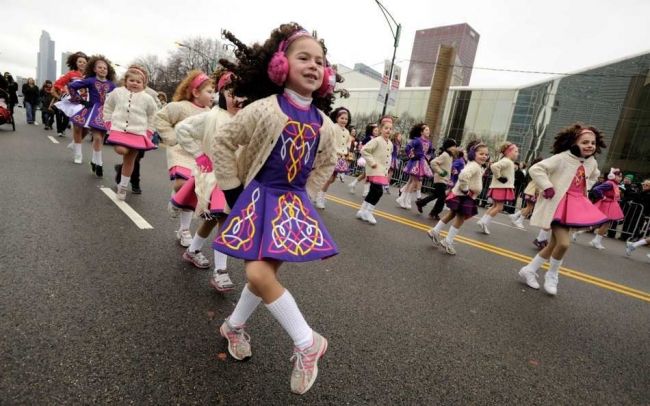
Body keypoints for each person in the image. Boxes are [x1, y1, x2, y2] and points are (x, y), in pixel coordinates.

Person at [212, 23, 339, 395]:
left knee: (260, 275)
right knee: (257, 273)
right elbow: (223, 141)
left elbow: (327, 163)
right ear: (281, 64)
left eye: (320, 61)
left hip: (291, 208)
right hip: (256, 199)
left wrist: (305, 198)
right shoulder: (264, 109)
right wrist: (233, 191)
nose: (314, 65)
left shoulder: (326, 125)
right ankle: (306, 342)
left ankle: (233, 328)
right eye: (304, 57)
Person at [173, 69, 245, 291]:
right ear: (222, 93)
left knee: (214, 219)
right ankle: (220, 271)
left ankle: (192, 250)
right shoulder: (211, 116)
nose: (238, 99)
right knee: (224, 220)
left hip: (236, 178)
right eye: (232, 94)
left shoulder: (245, 118)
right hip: (216, 177)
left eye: (242, 95)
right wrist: (199, 154)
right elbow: (183, 129)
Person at [518, 123, 608, 296]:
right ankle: (552, 275)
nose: (590, 145)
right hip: (558, 205)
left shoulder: (592, 162)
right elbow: (536, 168)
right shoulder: (562, 158)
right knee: (564, 243)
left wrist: (585, 189)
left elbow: (594, 175)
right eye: (585, 142)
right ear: (574, 143)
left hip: (574, 206)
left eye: (593, 143)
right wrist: (547, 186)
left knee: (553, 244)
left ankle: (529, 269)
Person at [154, 70, 213, 247]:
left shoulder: (212, 112)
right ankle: (175, 200)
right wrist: (171, 137)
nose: (213, 95)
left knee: (192, 191)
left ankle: (184, 229)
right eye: (209, 91)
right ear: (196, 92)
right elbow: (160, 118)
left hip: (198, 157)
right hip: (180, 152)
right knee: (181, 184)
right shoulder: (179, 107)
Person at [102, 66, 158, 201]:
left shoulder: (147, 98)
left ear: (143, 84)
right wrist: (108, 122)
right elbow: (108, 107)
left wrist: (149, 131)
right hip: (119, 129)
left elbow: (153, 115)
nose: (134, 83)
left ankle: (123, 187)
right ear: (125, 81)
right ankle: (122, 180)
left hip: (138, 132)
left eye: (138, 82)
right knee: (121, 150)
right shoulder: (117, 92)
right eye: (131, 80)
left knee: (130, 160)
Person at [427, 140, 489, 255]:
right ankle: (448, 241)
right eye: (481, 154)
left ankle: (435, 231)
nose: (484, 156)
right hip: (464, 196)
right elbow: (463, 175)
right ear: (473, 154)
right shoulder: (474, 166)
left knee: (451, 214)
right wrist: (465, 189)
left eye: (486, 154)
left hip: (461, 195)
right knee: (460, 219)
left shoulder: (475, 165)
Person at [68, 55, 117, 176]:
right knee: (97, 138)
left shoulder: (112, 85)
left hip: (106, 114)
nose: (102, 69)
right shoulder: (90, 81)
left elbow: (118, 99)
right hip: (93, 112)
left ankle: (94, 161)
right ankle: (99, 163)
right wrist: (80, 100)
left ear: (108, 70)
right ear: (94, 69)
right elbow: (72, 86)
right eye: (99, 67)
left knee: (101, 137)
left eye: (105, 68)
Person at [355, 116, 394, 224]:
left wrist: (386, 171)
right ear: (381, 129)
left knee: (373, 191)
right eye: (386, 128)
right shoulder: (376, 140)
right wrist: (372, 162)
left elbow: (388, 157)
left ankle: (362, 211)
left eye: (390, 129)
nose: (388, 130)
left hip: (382, 171)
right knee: (379, 192)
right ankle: (369, 212)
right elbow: (364, 150)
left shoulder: (390, 143)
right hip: (375, 169)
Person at [476, 142, 519, 234]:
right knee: (499, 207)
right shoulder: (507, 161)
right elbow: (494, 166)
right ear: (509, 152)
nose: (517, 153)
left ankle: (483, 221)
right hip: (501, 187)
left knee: (495, 206)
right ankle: (484, 222)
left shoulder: (507, 161)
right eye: (515, 151)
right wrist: (499, 177)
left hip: (500, 186)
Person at [315, 106, 352, 209]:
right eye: (342, 118)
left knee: (332, 179)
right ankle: (319, 197)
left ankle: (319, 193)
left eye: (346, 119)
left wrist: (347, 149)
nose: (344, 120)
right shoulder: (333, 127)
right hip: (331, 155)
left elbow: (349, 140)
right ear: (337, 118)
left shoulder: (347, 131)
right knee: (328, 178)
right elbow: (328, 138)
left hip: (341, 157)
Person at [582, 168, 625, 250]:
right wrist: (603, 196)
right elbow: (596, 189)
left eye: (621, 177)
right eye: (619, 176)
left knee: (602, 223)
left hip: (611, 204)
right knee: (605, 223)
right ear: (613, 176)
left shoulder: (614, 184)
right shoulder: (610, 183)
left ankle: (581, 232)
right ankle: (596, 240)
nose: (620, 178)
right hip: (606, 204)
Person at [416, 138, 458, 219]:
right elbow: (433, 163)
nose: (455, 148)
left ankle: (421, 203)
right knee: (442, 198)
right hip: (440, 179)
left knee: (435, 195)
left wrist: (452, 170)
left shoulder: (450, 156)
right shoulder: (445, 154)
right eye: (454, 146)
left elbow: (445, 165)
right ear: (449, 147)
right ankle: (434, 213)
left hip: (444, 180)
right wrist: (441, 172)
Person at [396, 123, 433, 209]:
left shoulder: (429, 142)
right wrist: (411, 155)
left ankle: (402, 199)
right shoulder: (417, 140)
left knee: (411, 182)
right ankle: (407, 200)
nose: (428, 131)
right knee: (414, 182)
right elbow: (407, 148)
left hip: (422, 163)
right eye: (426, 130)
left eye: (428, 130)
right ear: (421, 132)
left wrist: (427, 158)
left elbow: (430, 152)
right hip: (415, 163)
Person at [52, 52, 88, 141]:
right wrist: (65, 91)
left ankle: (76, 141)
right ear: (75, 63)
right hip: (74, 101)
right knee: (77, 125)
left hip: (86, 102)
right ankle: (76, 144)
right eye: (80, 62)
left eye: (84, 62)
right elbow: (58, 84)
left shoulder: (89, 75)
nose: (82, 64)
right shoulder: (70, 74)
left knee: (86, 128)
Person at [348, 123, 378, 196]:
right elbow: (362, 147)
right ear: (371, 131)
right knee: (368, 174)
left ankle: (353, 184)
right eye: (375, 130)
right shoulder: (368, 138)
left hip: (372, 158)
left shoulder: (375, 139)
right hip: (368, 158)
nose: (377, 132)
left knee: (365, 174)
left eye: (377, 130)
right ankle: (366, 191)